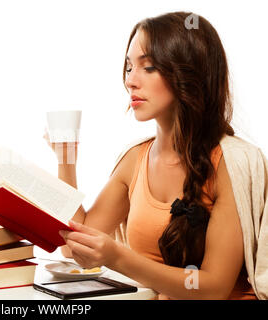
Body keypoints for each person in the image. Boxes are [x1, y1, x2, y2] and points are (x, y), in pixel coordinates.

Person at [43, 11, 261, 300]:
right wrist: (65, 159)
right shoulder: (135, 159)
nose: (130, 81)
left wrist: (117, 257)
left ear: (188, 73)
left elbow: (213, 288)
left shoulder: (233, 163)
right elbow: (74, 246)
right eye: (129, 67)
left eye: (148, 67)